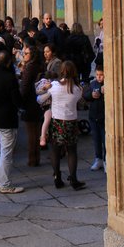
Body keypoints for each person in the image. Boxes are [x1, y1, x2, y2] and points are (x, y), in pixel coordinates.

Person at [38, 60, 86, 190]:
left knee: (55, 150)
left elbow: (41, 96)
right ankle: (73, 179)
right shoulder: (77, 89)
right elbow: (79, 101)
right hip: (70, 122)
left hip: (57, 121)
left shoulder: (54, 85)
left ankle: (57, 177)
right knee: (72, 151)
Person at [0, 49, 24, 193]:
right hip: (7, 117)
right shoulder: (10, 78)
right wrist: (22, 106)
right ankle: (5, 184)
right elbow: (16, 99)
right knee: (6, 152)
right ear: (8, 62)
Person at [19, 43, 44, 167]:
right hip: (37, 101)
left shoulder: (30, 67)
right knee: (36, 131)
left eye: (26, 53)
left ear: (32, 55)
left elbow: (25, 86)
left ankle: (32, 158)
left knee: (31, 133)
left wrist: (19, 100)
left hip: (30, 102)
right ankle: (36, 157)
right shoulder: (38, 66)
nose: (24, 55)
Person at [84, 66, 106, 171]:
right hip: (93, 117)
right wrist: (92, 95)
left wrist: (104, 93)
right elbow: (85, 95)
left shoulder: (107, 84)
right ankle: (98, 159)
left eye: (101, 75)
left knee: (105, 140)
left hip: (104, 117)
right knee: (96, 139)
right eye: (97, 75)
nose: (99, 77)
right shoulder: (93, 84)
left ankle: (106, 160)